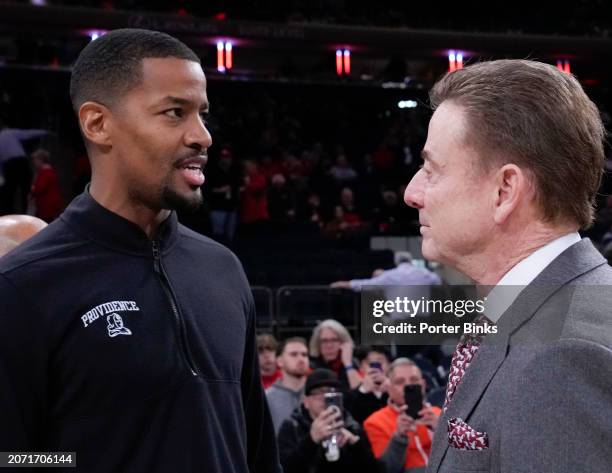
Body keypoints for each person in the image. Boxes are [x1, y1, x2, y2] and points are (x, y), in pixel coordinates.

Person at [0, 29, 280, 473]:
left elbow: (258, 450)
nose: (202, 136)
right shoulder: (23, 285)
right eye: (175, 113)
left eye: (202, 115)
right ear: (98, 123)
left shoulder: (223, 269)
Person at [403, 59, 612, 473]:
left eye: (432, 170)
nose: (413, 192)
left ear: (505, 190)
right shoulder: (550, 311)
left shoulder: (564, 358)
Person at [277, 368, 381, 473]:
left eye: (331, 392)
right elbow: (284, 468)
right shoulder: (291, 426)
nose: (325, 398)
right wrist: (311, 440)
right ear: (306, 401)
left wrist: (355, 444)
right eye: (318, 393)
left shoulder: (351, 426)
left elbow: (374, 469)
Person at [364, 358, 441, 473]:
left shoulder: (439, 413)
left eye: (414, 380)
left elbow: (462, 458)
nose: (408, 385)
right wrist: (399, 437)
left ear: (424, 385)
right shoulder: (375, 422)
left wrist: (443, 431)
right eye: (400, 382)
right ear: (388, 388)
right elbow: (386, 469)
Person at [0, 117, 50, 214]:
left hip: (8, 165)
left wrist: (2, 175)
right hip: (21, 161)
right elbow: (28, 134)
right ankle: (26, 211)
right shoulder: (11, 132)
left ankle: (8, 213)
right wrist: (44, 131)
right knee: (26, 188)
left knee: (9, 191)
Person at [266, 337, 310, 434]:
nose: (301, 359)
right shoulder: (267, 398)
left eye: (304, 354)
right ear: (279, 361)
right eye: (294, 354)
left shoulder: (318, 395)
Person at [309, 319, 362, 391]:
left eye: (334, 340)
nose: (329, 346)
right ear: (318, 344)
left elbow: (361, 392)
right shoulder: (311, 367)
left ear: (343, 343)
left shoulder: (352, 364)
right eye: (324, 341)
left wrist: (348, 364)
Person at [344, 346, 390, 425]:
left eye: (379, 361)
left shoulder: (397, 390)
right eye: (369, 363)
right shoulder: (351, 396)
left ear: (389, 365)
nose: (374, 368)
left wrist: (391, 390)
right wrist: (363, 391)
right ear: (361, 367)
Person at [29, 148, 64, 222]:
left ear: (40, 160)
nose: (34, 163)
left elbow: (40, 187)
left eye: (35, 160)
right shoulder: (48, 171)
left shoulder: (46, 173)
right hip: (48, 205)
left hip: (47, 205)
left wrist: (33, 189)